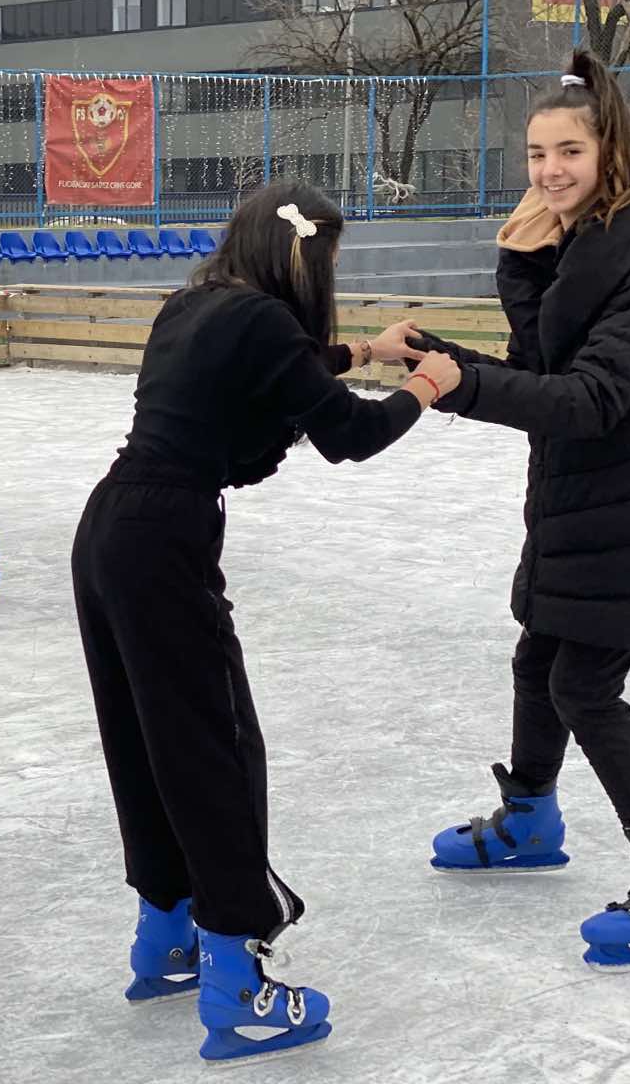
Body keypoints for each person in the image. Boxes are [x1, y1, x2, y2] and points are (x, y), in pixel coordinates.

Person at [71, 181, 461, 1064]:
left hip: (108, 534)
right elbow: (348, 436)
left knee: (148, 740)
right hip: (165, 542)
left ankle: (166, 936)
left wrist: (364, 347)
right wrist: (425, 388)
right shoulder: (262, 324)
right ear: (304, 257)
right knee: (216, 748)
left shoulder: (197, 305)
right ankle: (239, 986)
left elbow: (278, 369)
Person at [418, 51, 630, 971]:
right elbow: (541, 375)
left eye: (569, 152)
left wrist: (462, 385)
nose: (549, 170)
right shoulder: (573, 256)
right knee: (538, 656)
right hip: (578, 508)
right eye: (535, 153)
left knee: (585, 688)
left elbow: (588, 399)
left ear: (612, 156)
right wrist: (441, 351)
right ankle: (529, 822)